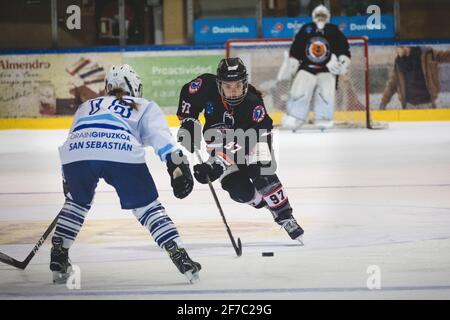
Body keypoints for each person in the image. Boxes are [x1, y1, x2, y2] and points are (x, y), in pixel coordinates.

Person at [52, 64, 201, 284]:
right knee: (148, 207)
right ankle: (178, 252)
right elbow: (163, 141)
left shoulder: (87, 106)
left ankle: (59, 252)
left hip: (77, 157)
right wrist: (178, 167)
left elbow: (72, 142)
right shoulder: (143, 105)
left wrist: (67, 179)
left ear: (107, 86)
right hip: (121, 153)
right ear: (135, 87)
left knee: (75, 203)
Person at [176, 58, 304, 243]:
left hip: (256, 140)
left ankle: (285, 216)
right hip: (220, 142)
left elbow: (242, 143)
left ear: (245, 83)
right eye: (228, 86)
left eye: (238, 85)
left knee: (261, 174)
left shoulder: (253, 105)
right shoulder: (205, 85)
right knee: (238, 191)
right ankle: (266, 202)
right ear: (219, 85)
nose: (233, 91)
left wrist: (214, 165)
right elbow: (188, 96)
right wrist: (188, 121)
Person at [277, 4, 351, 131]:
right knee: (299, 92)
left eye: (323, 15)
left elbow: (343, 48)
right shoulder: (306, 29)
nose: (320, 18)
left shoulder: (334, 30)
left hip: (327, 69)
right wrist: (293, 61)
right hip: (307, 68)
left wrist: (343, 60)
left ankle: (324, 118)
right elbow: (297, 47)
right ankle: (295, 117)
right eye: (318, 15)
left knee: (326, 94)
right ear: (313, 17)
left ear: (328, 17)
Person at [380, 46, 450, 110]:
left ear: (405, 47)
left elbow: (444, 56)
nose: (396, 50)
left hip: (427, 104)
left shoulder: (427, 54)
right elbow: (392, 83)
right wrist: (384, 102)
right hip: (409, 106)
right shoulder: (399, 61)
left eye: (398, 47)